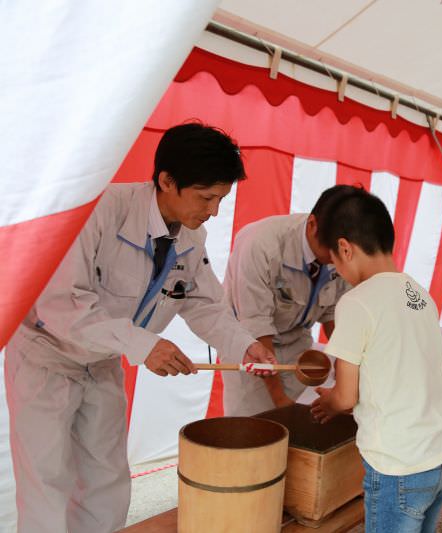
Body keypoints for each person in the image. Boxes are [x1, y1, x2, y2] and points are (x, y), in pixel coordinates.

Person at [4, 122, 275, 533]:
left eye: (221, 199)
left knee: (106, 479)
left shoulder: (190, 239)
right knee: (46, 480)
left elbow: (205, 306)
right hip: (46, 357)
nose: (213, 211)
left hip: (103, 362)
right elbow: (61, 304)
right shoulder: (99, 211)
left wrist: (244, 345)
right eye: (206, 197)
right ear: (167, 180)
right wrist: (144, 345)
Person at [309, 188, 442, 533]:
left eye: (335, 264)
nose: (338, 273)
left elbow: (346, 397)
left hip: (399, 467)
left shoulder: (356, 302)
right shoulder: (418, 293)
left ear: (345, 248)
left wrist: (330, 403)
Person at [221, 185, 352, 415]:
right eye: (330, 251)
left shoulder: (343, 252)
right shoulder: (262, 245)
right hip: (250, 344)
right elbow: (256, 325)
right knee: (253, 426)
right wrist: (280, 400)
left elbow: (334, 314)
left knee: (290, 428)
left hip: (296, 342)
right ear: (312, 225)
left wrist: (346, 373)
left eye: (341, 253)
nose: (336, 260)